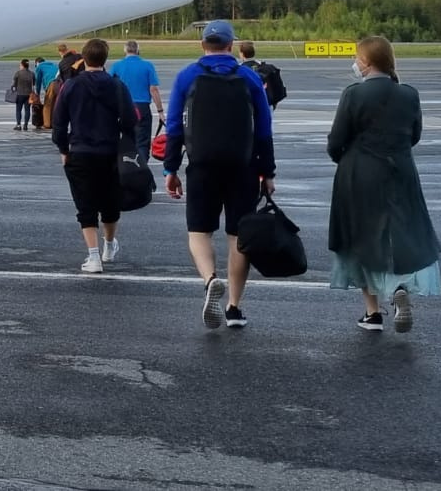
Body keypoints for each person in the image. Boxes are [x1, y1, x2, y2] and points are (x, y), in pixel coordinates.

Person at [162, 20, 275, 330]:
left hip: (202, 164)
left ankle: (210, 278)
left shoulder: (187, 76)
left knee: (199, 231)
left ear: (203, 45)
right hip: (243, 166)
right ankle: (234, 307)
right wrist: (268, 171)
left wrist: (171, 168)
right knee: (238, 236)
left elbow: (174, 127)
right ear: (231, 45)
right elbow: (263, 129)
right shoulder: (249, 77)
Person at [328, 36, 441, 333]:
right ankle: (399, 286)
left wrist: (346, 158)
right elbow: (414, 135)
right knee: (400, 233)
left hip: (360, 173)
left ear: (365, 62)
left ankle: (373, 312)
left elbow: (336, 140)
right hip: (400, 171)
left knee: (361, 237)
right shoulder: (409, 94)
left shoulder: (353, 94)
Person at [53, 39, 136, 273]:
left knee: (85, 205)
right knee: (110, 203)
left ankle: (93, 256)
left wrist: (63, 149)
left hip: (80, 151)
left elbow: (59, 123)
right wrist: (126, 145)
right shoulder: (117, 86)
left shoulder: (71, 85)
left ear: (84, 58)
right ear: (105, 59)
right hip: (110, 152)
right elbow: (130, 120)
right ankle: (109, 245)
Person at [110, 40, 164, 164]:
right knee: (142, 142)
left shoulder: (117, 66)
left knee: (126, 138)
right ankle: (142, 166)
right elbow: (153, 89)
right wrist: (160, 111)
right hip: (142, 107)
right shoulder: (147, 65)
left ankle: (126, 166)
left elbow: (109, 87)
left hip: (123, 107)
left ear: (125, 50)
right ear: (138, 50)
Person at [11, 59, 36, 131]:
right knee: (27, 110)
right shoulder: (32, 73)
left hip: (19, 94)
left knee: (18, 110)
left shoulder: (18, 73)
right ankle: (26, 125)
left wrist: (13, 88)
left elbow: (14, 84)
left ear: (22, 65)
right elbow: (34, 83)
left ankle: (18, 125)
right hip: (28, 94)